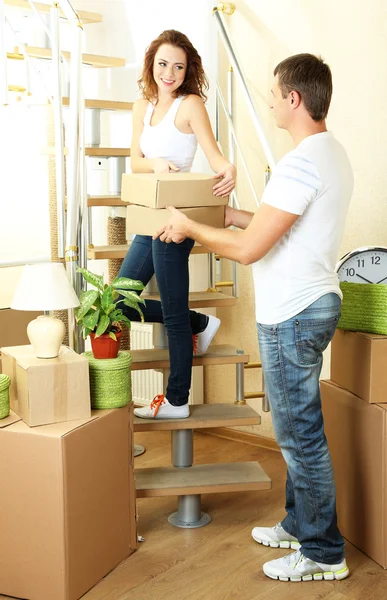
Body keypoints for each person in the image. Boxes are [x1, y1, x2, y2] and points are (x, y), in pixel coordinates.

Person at [155, 53, 354, 582]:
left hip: (293, 312)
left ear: (293, 99)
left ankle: (322, 553)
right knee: (299, 428)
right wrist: (212, 212)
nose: (268, 101)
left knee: (298, 435)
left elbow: (247, 250)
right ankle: (298, 523)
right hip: (312, 303)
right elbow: (274, 226)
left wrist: (191, 229)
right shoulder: (328, 153)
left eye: (273, 94)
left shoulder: (301, 162)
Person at [119, 29, 236, 420]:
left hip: (176, 220)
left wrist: (228, 170)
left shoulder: (191, 105)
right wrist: (155, 164)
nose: (169, 72)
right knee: (120, 300)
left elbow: (216, 157)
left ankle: (177, 399)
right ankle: (200, 322)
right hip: (149, 215)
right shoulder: (142, 106)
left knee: (171, 312)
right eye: (163, 63)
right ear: (152, 63)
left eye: (179, 67)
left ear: (188, 72)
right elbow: (134, 161)